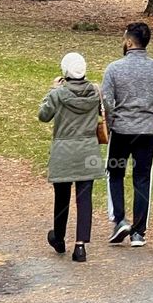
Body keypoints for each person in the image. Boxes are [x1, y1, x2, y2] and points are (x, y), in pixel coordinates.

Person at [102, 22, 153, 247]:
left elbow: (107, 102)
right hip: (147, 131)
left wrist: (111, 124)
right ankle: (139, 232)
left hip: (121, 130)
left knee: (115, 173)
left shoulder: (114, 69)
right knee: (142, 178)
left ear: (129, 41)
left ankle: (120, 219)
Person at [38, 51, 106, 262]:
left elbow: (43, 115)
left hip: (64, 152)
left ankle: (59, 237)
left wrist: (52, 90)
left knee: (62, 197)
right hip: (87, 150)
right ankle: (80, 246)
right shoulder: (95, 91)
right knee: (84, 199)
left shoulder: (58, 94)